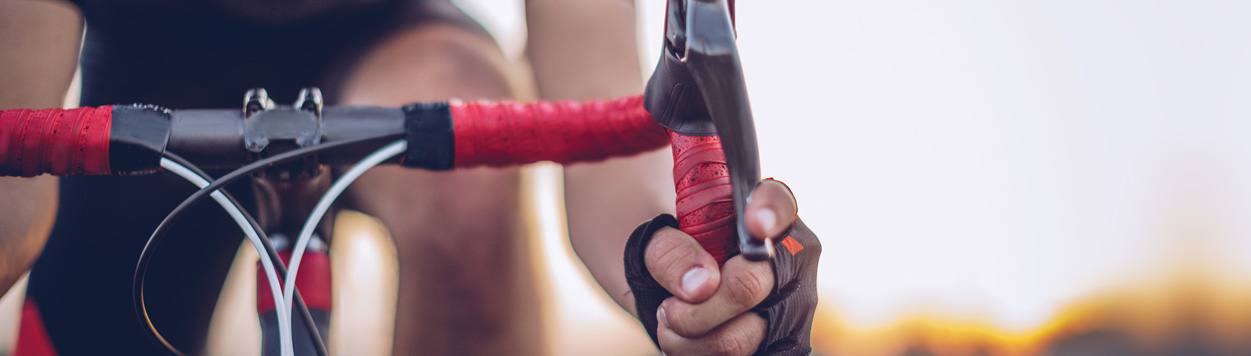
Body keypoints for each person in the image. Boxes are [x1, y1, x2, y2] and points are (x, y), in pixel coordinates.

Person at [0, 0, 816, 355]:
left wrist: (679, 272)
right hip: (149, 70)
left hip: (391, 44)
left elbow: (605, 122)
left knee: (466, 177)